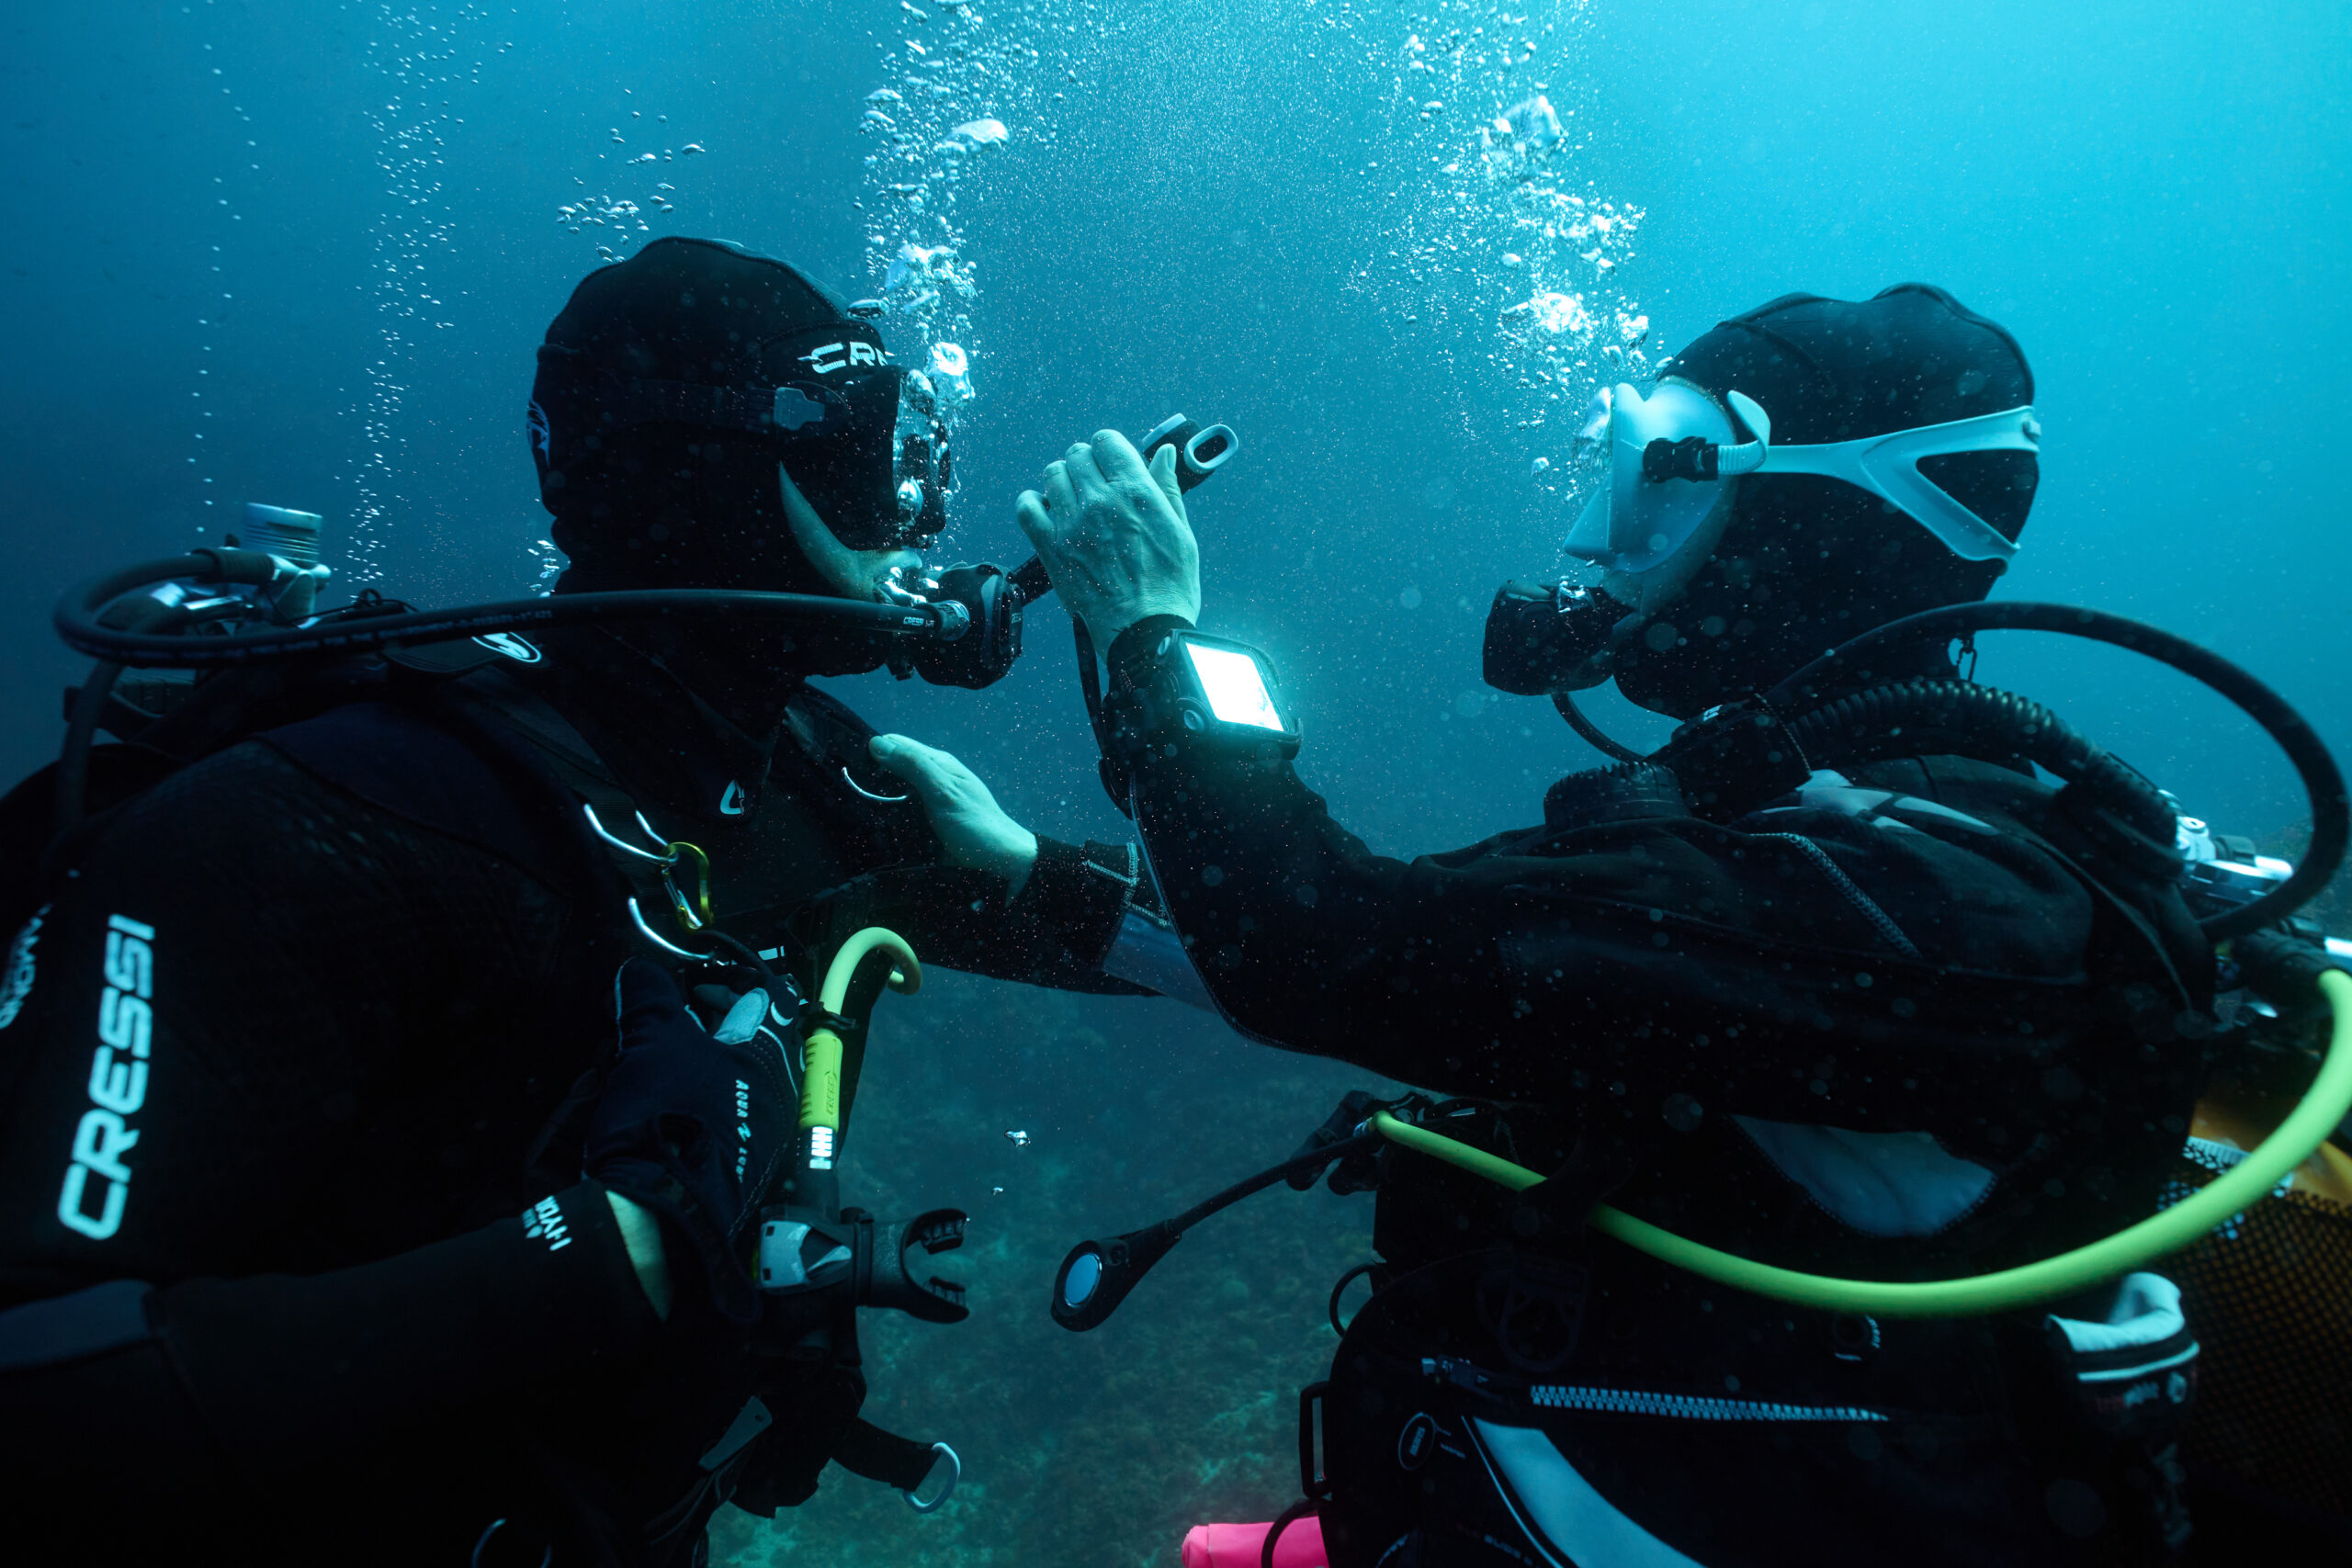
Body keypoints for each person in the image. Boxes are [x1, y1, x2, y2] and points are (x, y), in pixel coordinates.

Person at [1016, 285, 2234, 1564]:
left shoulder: (1905, 892)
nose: (1600, 547)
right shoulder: (1819, 824)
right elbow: (1396, 932)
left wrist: (1154, 639)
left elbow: (1324, 948)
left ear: (1813, 523)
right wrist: (1040, 884)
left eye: (1660, 487)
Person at [0, 236, 1166, 1565]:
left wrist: (1032, 855)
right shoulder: (323, 820)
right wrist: (615, 1253)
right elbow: (39, 1400)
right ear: (712, 476)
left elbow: (1241, 971)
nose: (908, 519)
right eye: (863, 457)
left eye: (911, 463)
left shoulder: (812, 780)